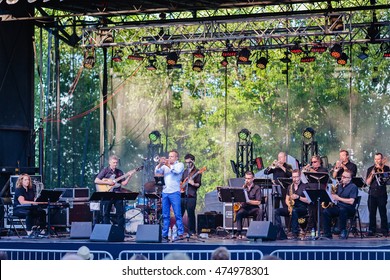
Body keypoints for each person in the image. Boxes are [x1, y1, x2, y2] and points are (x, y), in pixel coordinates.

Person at [94, 155, 135, 232]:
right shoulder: (105, 170)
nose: (115, 164)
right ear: (109, 162)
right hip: (107, 194)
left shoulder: (119, 172)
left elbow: (124, 183)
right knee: (106, 213)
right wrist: (108, 182)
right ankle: (106, 231)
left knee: (120, 213)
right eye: (113, 162)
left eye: (116, 163)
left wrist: (129, 176)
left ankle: (120, 231)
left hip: (117, 194)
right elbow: (96, 180)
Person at [155, 149, 185, 241]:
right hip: (165, 192)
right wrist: (160, 163)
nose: (169, 158)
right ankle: (164, 234)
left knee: (177, 214)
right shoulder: (165, 166)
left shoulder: (180, 165)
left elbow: (176, 172)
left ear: (176, 157)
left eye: (172, 156)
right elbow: (157, 171)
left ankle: (180, 233)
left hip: (175, 192)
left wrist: (167, 164)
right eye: (169, 156)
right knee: (165, 215)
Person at [274, 169, 309, 240]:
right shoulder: (290, 187)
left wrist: (298, 197)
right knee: (276, 211)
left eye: (296, 177)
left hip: (302, 208)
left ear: (300, 176)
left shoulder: (305, 186)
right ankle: (280, 233)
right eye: (293, 177)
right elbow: (286, 199)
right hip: (292, 207)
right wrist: (289, 205)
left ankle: (295, 233)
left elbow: (308, 201)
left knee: (295, 211)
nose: (295, 179)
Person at [322, 171, 358, 239]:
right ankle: (327, 233)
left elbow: (351, 201)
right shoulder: (340, 186)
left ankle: (343, 231)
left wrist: (338, 198)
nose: (342, 178)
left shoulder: (353, 187)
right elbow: (336, 198)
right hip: (339, 206)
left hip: (349, 208)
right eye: (342, 176)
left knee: (342, 210)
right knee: (325, 211)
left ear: (349, 179)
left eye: (344, 177)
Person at [12, 174, 46, 238]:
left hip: (29, 208)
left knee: (42, 212)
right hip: (18, 209)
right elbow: (22, 202)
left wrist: (39, 200)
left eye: (28, 180)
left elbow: (33, 200)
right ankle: (29, 231)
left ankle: (41, 229)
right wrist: (33, 202)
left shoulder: (30, 190)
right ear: (21, 181)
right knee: (29, 213)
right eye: (25, 180)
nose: (27, 181)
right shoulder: (19, 190)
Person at [365, 153, 389, 237]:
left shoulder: (386, 168)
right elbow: (367, 182)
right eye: (375, 159)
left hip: (382, 194)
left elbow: (387, 180)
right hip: (372, 194)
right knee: (372, 213)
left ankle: (385, 230)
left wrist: (382, 169)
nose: (377, 161)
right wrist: (372, 173)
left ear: (382, 159)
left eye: (378, 159)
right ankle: (372, 229)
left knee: (383, 212)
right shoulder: (370, 169)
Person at [234, 171, 263, 239]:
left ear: (253, 179)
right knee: (239, 213)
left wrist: (249, 201)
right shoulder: (243, 187)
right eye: (246, 178)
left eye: (249, 178)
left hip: (254, 208)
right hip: (245, 208)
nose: (247, 180)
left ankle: (258, 231)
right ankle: (239, 232)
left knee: (261, 212)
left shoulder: (257, 188)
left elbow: (258, 202)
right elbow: (239, 200)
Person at [180, 153, 202, 235]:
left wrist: (193, 183)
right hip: (183, 195)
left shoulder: (197, 172)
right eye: (186, 162)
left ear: (193, 161)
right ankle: (179, 231)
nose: (188, 164)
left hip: (191, 196)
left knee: (191, 214)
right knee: (180, 213)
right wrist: (181, 187)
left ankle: (192, 231)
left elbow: (198, 184)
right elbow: (181, 181)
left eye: (189, 162)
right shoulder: (185, 171)